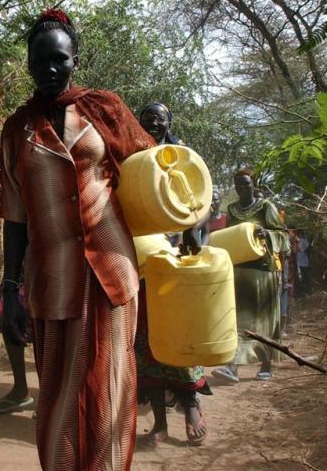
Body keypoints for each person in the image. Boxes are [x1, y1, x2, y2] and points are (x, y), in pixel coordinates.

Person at [0, 9, 154, 470]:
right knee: (60, 394)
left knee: (110, 384)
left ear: (75, 60)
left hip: (110, 270)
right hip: (51, 278)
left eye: (59, 60)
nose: (49, 69)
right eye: (39, 61)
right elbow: (15, 216)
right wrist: (10, 290)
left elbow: (151, 173)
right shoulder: (16, 129)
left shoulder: (104, 109)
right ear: (27, 62)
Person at [134, 102, 210, 445]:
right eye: (147, 116)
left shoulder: (182, 157)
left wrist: (194, 227)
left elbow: (206, 200)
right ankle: (160, 423)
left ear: (170, 122)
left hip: (177, 257)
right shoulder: (132, 158)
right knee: (146, 339)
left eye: (159, 117)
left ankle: (191, 405)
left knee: (179, 333)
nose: (152, 121)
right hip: (143, 262)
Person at [212, 170, 288, 383]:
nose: (241, 188)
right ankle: (232, 367)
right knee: (237, 319)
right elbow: (229, 237)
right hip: (239, 270)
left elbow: (284, 236)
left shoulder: (266, 207)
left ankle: (266, 364)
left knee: (262, 320)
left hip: (263, 271)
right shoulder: (232, 209)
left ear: (253, 184)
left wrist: (268, 234)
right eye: (238, 185)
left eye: (245, 184)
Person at [0, 169, 34, 415]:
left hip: (57, 255)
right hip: (25, 254)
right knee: (7, 313)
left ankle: (51, 398)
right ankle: (21, 389)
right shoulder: (20, 146)